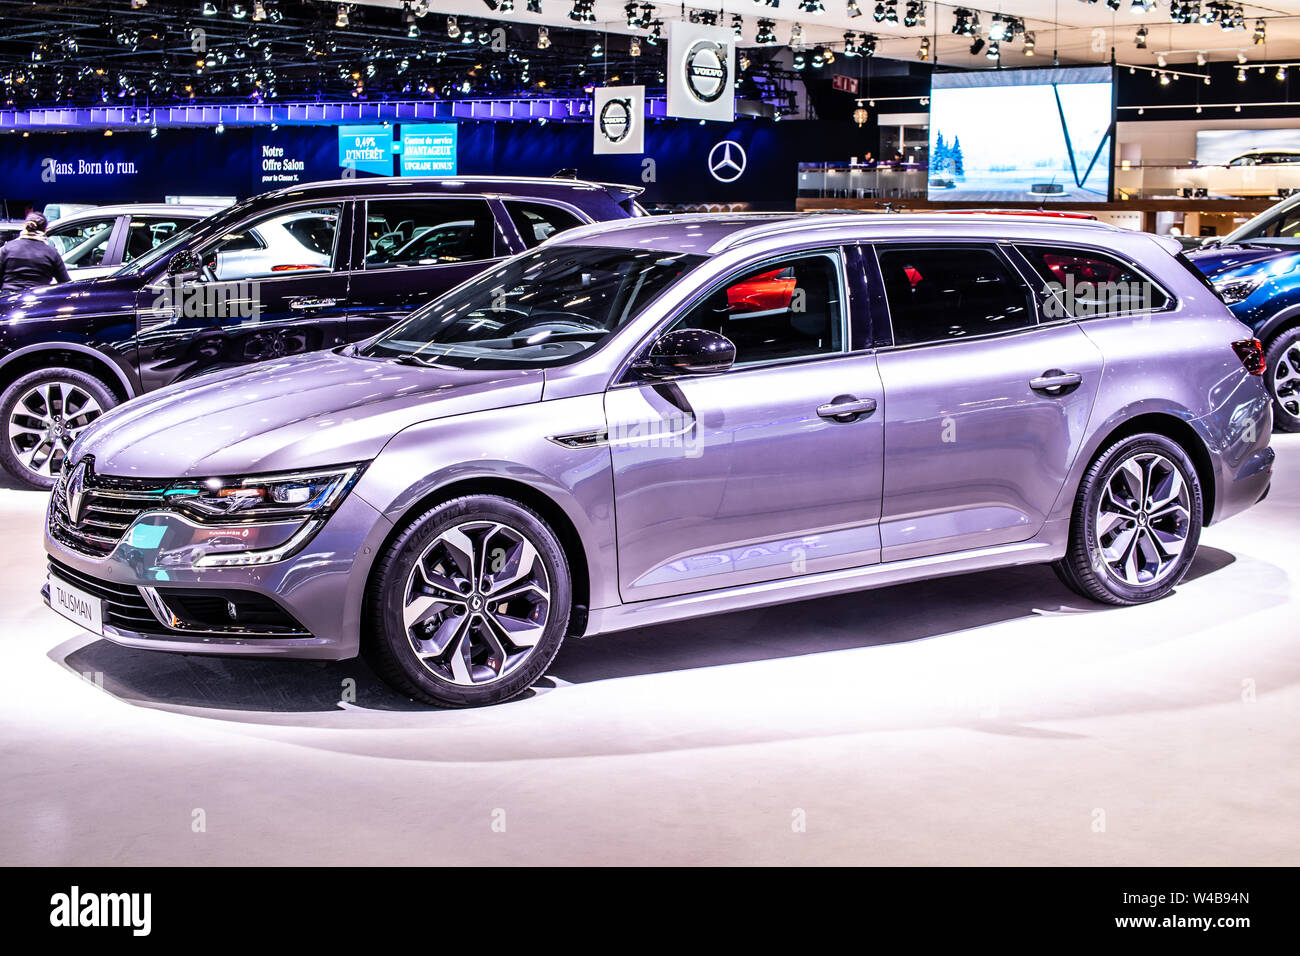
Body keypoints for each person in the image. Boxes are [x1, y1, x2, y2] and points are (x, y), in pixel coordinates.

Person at [0, 212, 71, 295]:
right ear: (45, 230)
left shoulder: (7, 248)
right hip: (38, 301)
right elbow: (65, 284)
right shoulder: (52, 253)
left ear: (25, 227)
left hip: (9, 299)